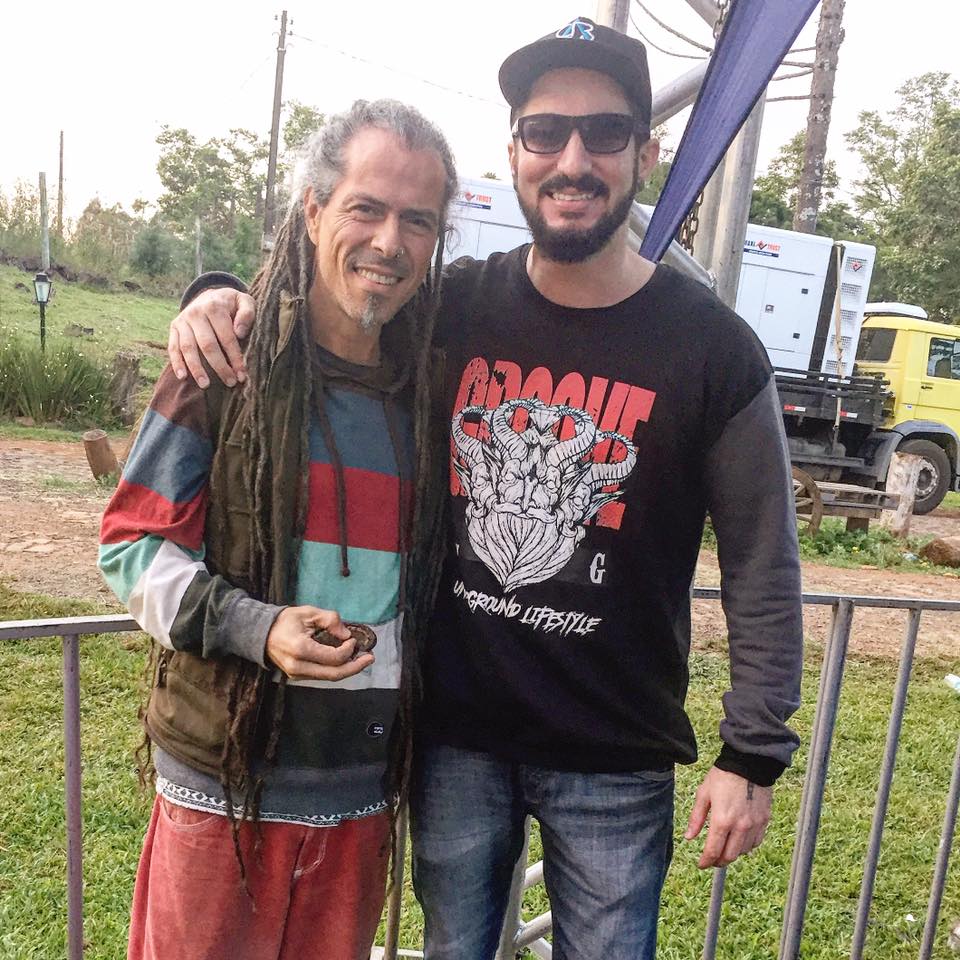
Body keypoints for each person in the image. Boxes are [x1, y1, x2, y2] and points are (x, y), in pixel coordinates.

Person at [165, 17, 803, 960]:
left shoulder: (716, 352)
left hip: (615, 759)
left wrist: (752, 755)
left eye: (605, 133)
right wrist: (219, 293)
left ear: (646, 153)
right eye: (546, 132)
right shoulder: (452, 308)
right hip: (455, 742)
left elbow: (763, 566)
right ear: (514, 155)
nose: (573, 159)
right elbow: (337, 294)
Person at [98, 99, 457, 960]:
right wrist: (256, 628)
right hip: (223, 786)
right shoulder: (221, 362)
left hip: (361, 795)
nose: (389, 242)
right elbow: (130, 548)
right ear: (313, 209)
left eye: (417, 220)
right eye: (366, 208)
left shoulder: (433, 388)